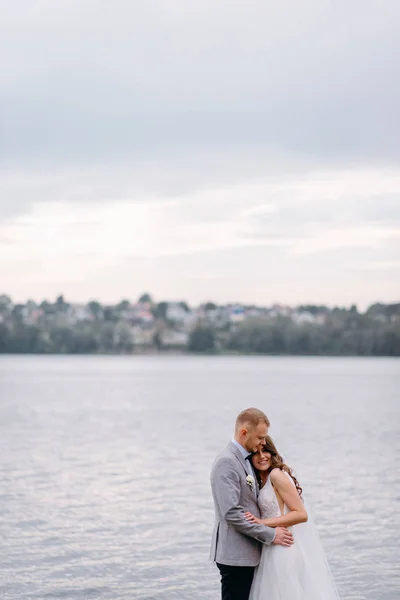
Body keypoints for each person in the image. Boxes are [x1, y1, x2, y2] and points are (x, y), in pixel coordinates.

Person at [210, 408, 294, 600]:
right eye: (260, 438)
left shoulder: (247, 459)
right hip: (236, 555)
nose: (263, 443)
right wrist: (271, 534)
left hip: (250, 553)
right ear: (243, 433)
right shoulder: (227, 462)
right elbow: (231, 514)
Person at [246, 436, 341, 600]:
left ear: (272, 452)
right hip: (271, 547)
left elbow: (301, 514)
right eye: (256, 452)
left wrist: (262, 523)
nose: (262, 456)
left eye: (265, 450)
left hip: (284, 548)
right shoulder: (261, 481)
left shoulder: (276, 475)